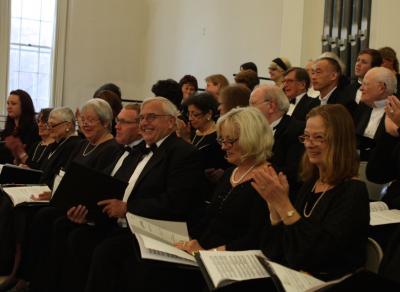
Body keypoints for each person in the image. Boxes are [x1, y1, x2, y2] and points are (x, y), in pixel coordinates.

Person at [30, 96, 206, 292]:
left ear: (171, 121)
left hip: (154, 229)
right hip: (123, 222)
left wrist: (127, 208)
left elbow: (175, 202)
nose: (145, 123)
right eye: (142, 118)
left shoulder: (184, 153)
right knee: (72, 231)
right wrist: (88, 214)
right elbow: (110, 187)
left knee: (105, 251)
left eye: (152, 117)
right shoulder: (139, 150)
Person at [89, 106, 273, 292]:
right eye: (221, 139)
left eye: (230, 140)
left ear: (252, 137)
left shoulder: (269, 178)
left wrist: (207, 253)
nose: (224, 146)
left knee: (151, 272)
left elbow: (256, 238)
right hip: (203, 248)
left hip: (233, 260)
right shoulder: (231, 173)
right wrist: (186, 240)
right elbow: (209, 218)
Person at [253, 104, 369, 282]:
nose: (308, 144)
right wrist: (274, 208)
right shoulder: (310, 184)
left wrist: (284, 205)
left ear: (339, 141)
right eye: (306, 136)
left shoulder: (353, 191)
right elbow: (276, 252)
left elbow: (317, 256)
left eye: (318, 137)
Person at [250, 84, 305, 197]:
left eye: (253, 104)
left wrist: (254, 169)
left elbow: (294, 172)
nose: (249, 109)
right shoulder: (253, 130)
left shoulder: (296, 130)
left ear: (271, 106)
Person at [0, 89, 40, 164]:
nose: (9, 107)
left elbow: (31, 159)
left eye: (13, 104)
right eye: (8, 103)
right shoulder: (8, 130)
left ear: (24, 106)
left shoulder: (34, 129)